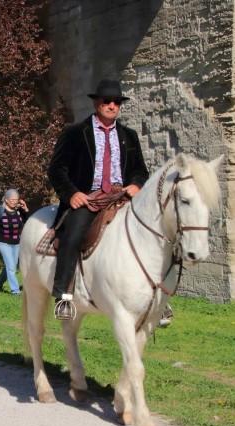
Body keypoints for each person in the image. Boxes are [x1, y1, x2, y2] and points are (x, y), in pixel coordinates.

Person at [48, 79, 149, 319]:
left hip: (120, 196)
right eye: (107, 101)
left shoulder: (129, 136)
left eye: (116, 102)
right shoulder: (75, 133)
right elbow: (56, 169)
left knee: (151, 231)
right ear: (96, 103)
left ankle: (155, 296)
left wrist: (136, 184)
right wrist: (72, 193)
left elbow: (140, 170)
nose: (112, 105)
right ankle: (63, 295)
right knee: (72, 235)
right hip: (89, 198)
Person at [0, 188, 28, 295]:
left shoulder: (19, 211)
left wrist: (25, 209)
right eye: (12, 200)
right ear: (6, 200)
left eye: (16, 200)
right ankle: (15, 291)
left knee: (11, 266)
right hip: (2, 241)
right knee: (11, 267)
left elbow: (27, 221)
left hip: (16, 242)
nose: (14, 201)